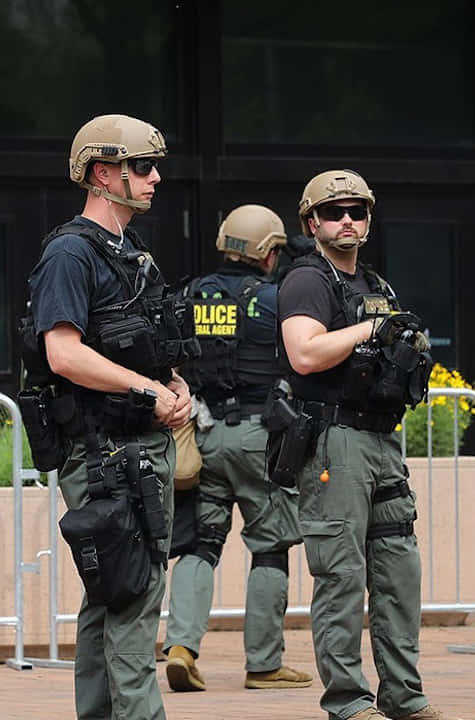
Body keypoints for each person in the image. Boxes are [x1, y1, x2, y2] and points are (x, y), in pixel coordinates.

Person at [21, 114, 193, 720]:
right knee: (133, 596)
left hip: (136, 445)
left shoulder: (131, 253)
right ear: (102, 173)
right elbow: (62, 352)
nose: (155, 178)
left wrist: (173, 384)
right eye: (142, 166)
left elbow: (142, 342)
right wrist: (149, 391)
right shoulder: (71, 252)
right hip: (106, 451)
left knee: (111, 596)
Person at [278, 170, 444, 720]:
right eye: (334, 212)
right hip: (335, 443)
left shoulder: (375, 285)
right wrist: (374, 332)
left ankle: (404, 696)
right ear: (312, 222)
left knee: (399, 572)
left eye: (357, 211)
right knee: (342, 576)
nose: (347, 220)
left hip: (381, 440)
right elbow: (304, 353)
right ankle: (349, 701)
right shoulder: (307, 279)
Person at [162, 204, 312, 693]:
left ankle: (182, 646)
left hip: (201, 436)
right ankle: (264, 664)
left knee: (201, 545)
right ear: (268, 252)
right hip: (258, 436)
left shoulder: (189, 295)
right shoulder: (275, 300)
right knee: (269, 547)